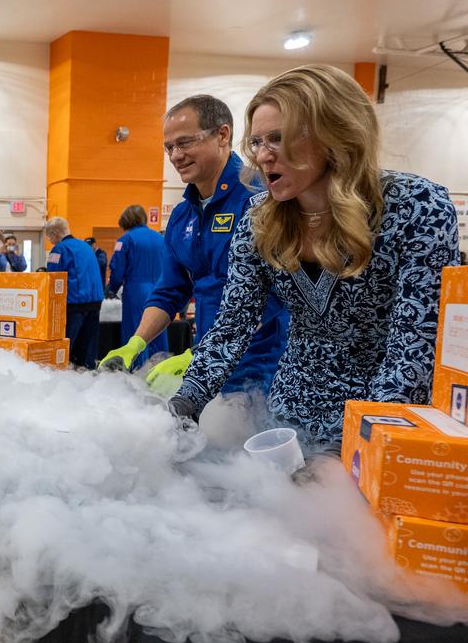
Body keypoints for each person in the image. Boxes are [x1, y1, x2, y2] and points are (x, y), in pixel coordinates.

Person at [170, 65, 459, 446]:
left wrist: (362, 442)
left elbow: (415, 345)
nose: (263, 156)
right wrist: (188, 397)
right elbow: (233, 325)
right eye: (256, 142)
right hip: (290, 414)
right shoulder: (259, 219)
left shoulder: (415, 207)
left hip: (385, 419)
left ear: (334, 134)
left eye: (278, 139)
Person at [101, 94, 288, 392]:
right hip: (207, 364)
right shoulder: (182, 216)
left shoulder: (262, 197)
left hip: (263, 366)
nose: (176, 155)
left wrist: (200, 355)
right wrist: (135, 343)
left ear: (222, 135)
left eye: (185, 142)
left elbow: (276, 293)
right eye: (169, 147)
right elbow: (170, 290)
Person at [105, 205, 170, 368]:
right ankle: (161, 371)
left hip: (136, 292)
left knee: (136, 334)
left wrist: (112, 289)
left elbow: (117, 270)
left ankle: (136, 372)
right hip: (160, 290)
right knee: (157, 331)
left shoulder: (125, 240)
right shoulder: (161, 239)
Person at [43, 217, 105, 370]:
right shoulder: (86, 246)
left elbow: (53, 278)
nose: (50, 241)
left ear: (55, 233)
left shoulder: (59, 249)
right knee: (88, 350)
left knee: (68, 349)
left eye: (49, 237)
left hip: (74, 303)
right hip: (95, 302)